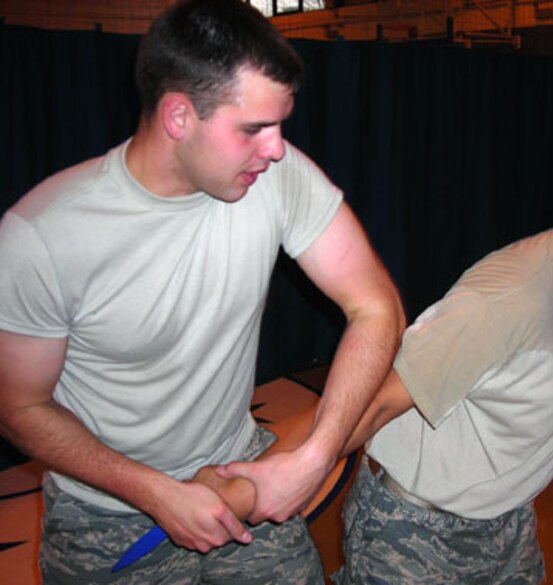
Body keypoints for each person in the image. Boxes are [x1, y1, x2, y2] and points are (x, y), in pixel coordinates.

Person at [0, 0, 405, 582]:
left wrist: (315, 454)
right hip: (109, 513)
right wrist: (156, 492)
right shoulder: (44, 236)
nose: (275, 148)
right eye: (254, 129)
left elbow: (375, 305)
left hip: (242, 471)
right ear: (178, 116)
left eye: (279, 125)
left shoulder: (278, 174)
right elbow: (19, 406)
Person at [330, 152, 553, 583]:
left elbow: (530, 375)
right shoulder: (504, 302)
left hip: (506, 522)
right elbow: (376, 404)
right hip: (413, 531)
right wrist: (285, 479)